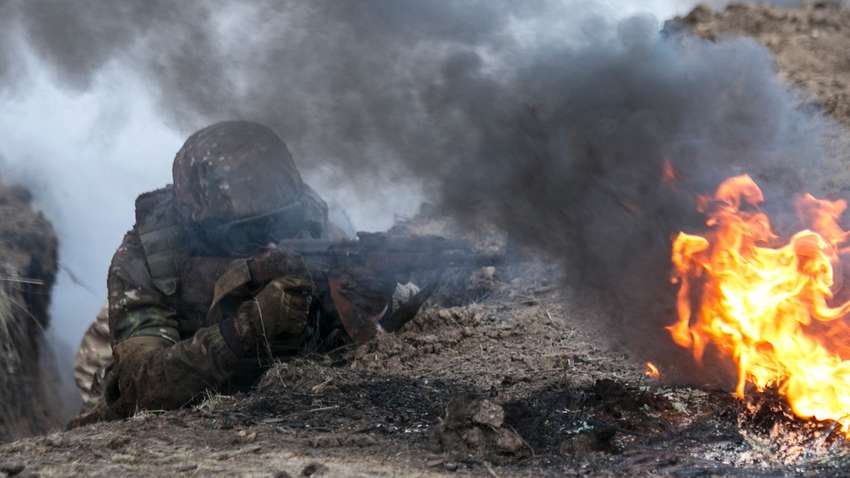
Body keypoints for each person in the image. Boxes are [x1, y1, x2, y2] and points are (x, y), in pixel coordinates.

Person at [79, 121, 382, 421]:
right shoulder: (146, 262)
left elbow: (373, 341)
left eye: (281, 221)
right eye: (252, 231)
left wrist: (374, 305)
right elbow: (141, 390)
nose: (271, 238)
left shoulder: (314, 227)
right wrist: (244, 329)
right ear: (203, 227)